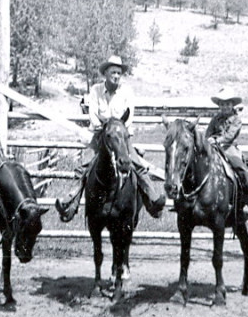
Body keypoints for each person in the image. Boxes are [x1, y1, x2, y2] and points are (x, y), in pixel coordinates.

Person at [55, 55, 166, 222]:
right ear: (105, 73)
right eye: (113, 72)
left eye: (119, 73)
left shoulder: (127, 92)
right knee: (84, 168)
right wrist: (104, 126)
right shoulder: (96, 90)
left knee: (136, 165)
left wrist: (116, 127)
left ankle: (153, 201)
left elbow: (129, 117)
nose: (116, 76)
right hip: (101, 135)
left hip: (121, 137)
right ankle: (71, 204)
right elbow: (93, 114)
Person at [205, 86, 248, 217]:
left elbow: (230, 135)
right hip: (214, 147)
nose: (224, 107)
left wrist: (218, 140)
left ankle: (247, 196)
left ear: (232, 105)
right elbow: (208, 132)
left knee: (239, 166)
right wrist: (209, 139)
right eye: (222, 104)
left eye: (227, 104)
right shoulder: (215, 119)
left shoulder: (236, 120)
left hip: (229, 147)